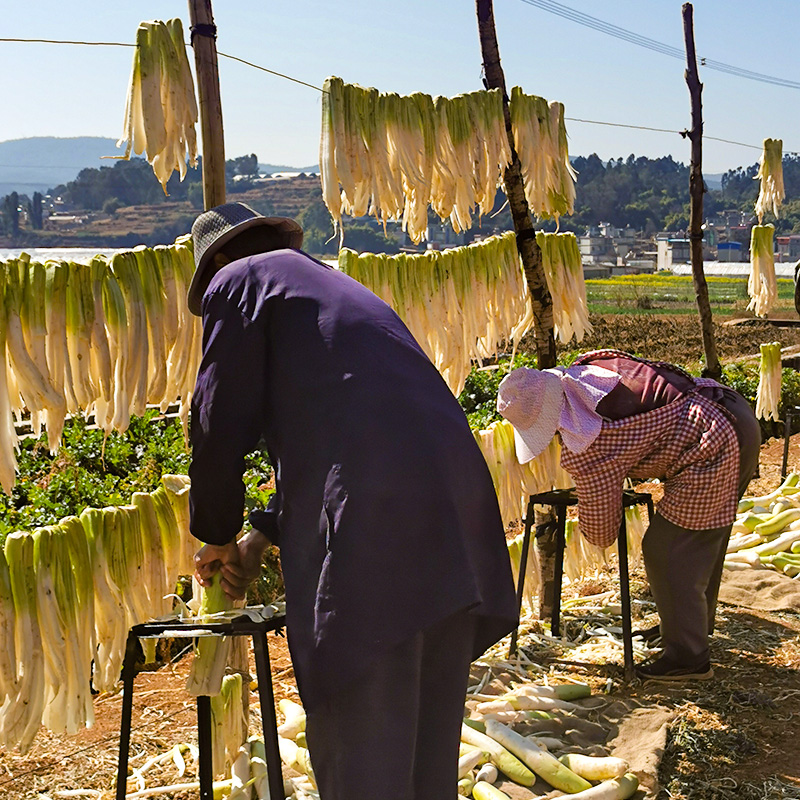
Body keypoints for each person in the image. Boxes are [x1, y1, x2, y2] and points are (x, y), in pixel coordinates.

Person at [186, 202, 518, 800]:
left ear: (220, 263)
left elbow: (216, 421)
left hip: (379, 516)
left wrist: (214, 533)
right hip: (454, 505)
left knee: (360, 719)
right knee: (425, 719)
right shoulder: (334, 290)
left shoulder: (236, 282)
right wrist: (261, 535)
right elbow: (342, 425)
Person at [497, 349, 760, 681]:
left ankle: (687, 658)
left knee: (667, 550)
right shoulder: (586, 371)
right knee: (702, 540)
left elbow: (602, 533)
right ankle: (683, 630)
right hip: (732, 412)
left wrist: (590, 497)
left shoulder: (590, 443)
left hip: (713, 444)